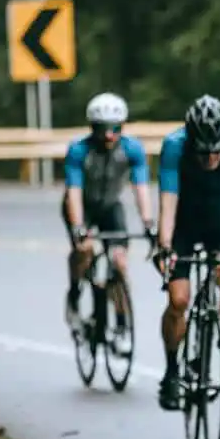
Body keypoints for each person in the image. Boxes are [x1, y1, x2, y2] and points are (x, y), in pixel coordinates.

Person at [152, 95, 220, 411]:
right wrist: (165, 246)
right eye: (203, 153)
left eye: (216, 153)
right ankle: (171, 372)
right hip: (183, 223)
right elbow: (167, 202)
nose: (210, 160)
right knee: (178, 299)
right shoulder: (174, 147)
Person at [61, 92, 154, 353]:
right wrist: (79, 227)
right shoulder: (79, 151)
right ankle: (75, 292)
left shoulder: (132, 149)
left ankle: (122, 325)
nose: (109, 135)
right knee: (86, 250)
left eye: (115, 129)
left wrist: (149, 222)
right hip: (83, 208)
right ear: (93, 128)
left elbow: (141, 188)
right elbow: (74, 192)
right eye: (103, 129)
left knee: (120, 262)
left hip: (111, 207)